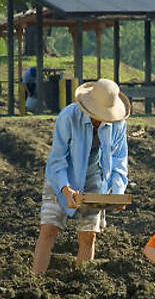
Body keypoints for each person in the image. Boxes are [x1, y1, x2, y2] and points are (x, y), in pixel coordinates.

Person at [32, 79, 130, 273]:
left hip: (96, 178)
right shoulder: (68, 117)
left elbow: (119, 160)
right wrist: (65, 189)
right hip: (63, 175)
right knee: (48, 229)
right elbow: (57, 159)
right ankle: (35, 280)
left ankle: (81, 282)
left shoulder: (118, 124)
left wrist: (117, 193)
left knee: (88, 235)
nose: (100, 120)